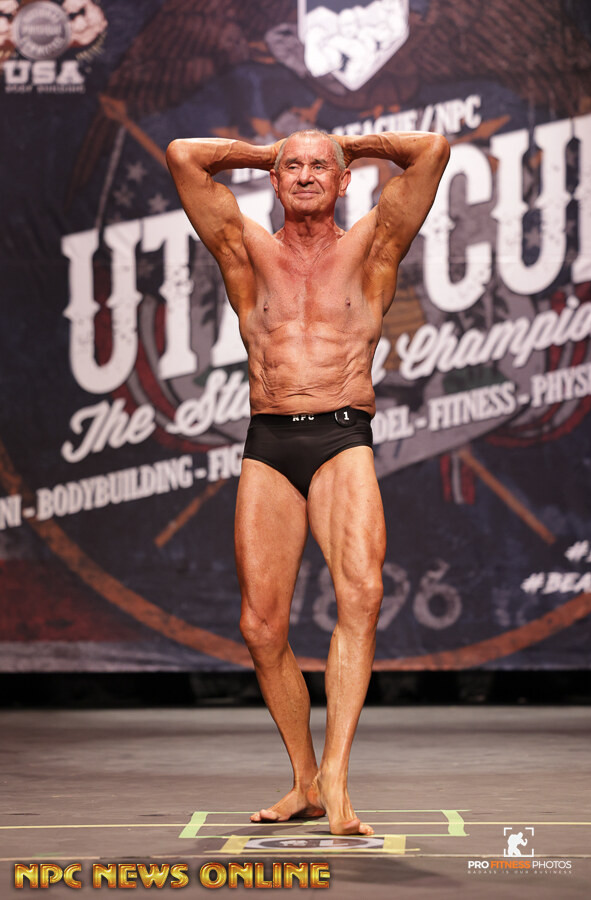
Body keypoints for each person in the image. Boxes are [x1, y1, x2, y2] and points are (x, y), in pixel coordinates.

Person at [166, 127, 449, 835]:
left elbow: (432, 151)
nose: (304, 175)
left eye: (320, 166)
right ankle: (305, 782)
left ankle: (339, 781)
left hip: (341, 434)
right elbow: (183, 157)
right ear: (274, 179)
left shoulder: (373, 246)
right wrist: (271, 150)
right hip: (269, 440)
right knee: (260, 626)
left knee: (363, 594)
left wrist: (347, 143)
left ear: (344, 179)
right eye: (291, 166)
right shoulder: (246, 250)